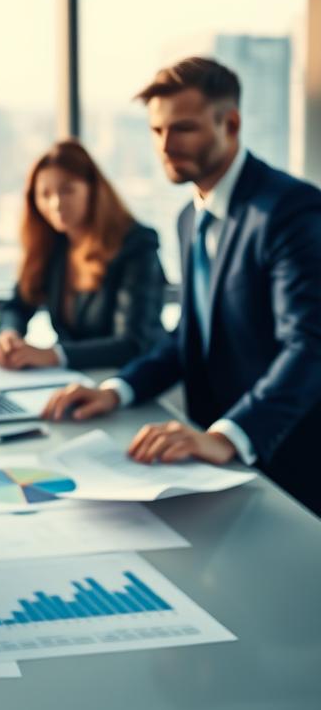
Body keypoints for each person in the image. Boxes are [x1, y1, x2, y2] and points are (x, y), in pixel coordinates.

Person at [44, 57, 321, 516]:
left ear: (229, 123)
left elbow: (310, 346)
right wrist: (118, 389)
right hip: (211, 467)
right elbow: (188, 336)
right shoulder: (190, 217)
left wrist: (225, 436)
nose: (166, 146)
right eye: (156, 131)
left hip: (287, 465)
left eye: (183, 128)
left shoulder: (290, 212)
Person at [0, 139, 166, 371]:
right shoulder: (53, 244)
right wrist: (9, 334)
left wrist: (52, 354)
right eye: (45, 194)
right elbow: (17, 304)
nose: (56, 203)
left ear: (93, 190)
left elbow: (132, 343)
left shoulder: (136, 244)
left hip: (132, 381)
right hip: (71, 379)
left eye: (67, 190)